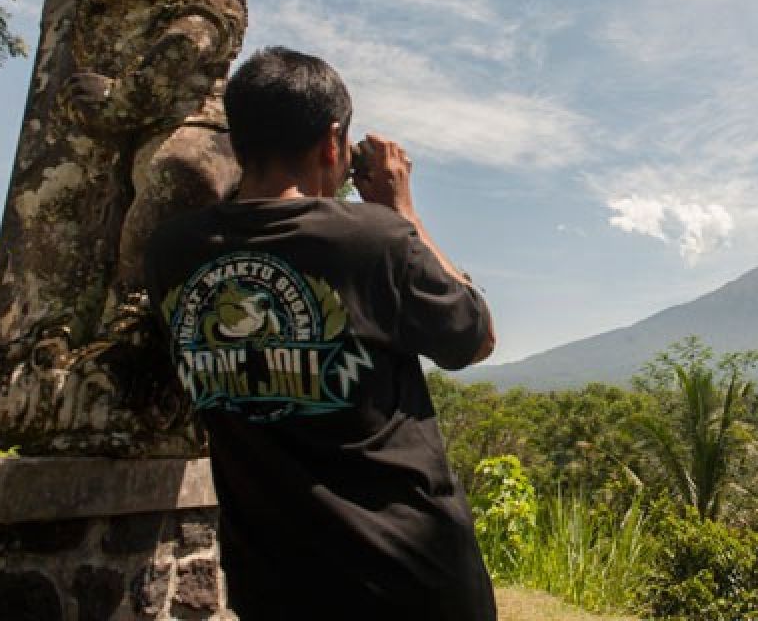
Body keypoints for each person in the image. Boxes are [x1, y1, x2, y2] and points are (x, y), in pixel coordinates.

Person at [144, 46, 498, 620]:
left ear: (239, 140)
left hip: (275, 588)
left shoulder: (170, 254)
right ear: (334, 143)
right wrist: (401, 207)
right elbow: (475, 337)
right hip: (412, 581)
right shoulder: (375, 239)